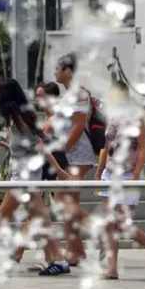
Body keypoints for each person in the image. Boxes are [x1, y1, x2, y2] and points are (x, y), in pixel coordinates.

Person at [0, 79, 70, 276]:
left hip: (23, 179)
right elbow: (22, 149)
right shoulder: (19, 118)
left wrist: (59, 170)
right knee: (42, 221)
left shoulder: (19, 119)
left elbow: (40, 146)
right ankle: (59, 261)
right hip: (26, 178)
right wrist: (1, 141)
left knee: (1, 217)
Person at [95, 79, 145, 279]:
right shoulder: (111, 117)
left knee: (122, 223)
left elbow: (143, 148)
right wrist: (99, 172)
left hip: (128, 173)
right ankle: (112, 268)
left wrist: (135, 175)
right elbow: (106, 147)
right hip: (111, 173)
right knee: (110, 223)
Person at [52, 54, 96, 265]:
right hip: (69, 154)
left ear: (68, 71)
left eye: (58, 68)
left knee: (63, 201)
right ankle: (75, 250)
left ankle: (99, 230)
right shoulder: (69, 93)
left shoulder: (78, 94)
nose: (55, 72)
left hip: (76, 155)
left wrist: (62, 148)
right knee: (68, 203)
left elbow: (78, 127)